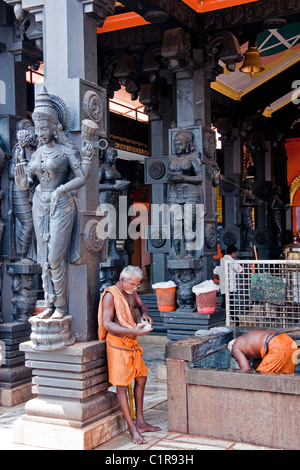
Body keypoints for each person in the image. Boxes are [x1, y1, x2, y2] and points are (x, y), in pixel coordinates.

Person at [14, 87, 93, 319]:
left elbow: (82, 177)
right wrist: (23, 183)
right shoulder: (37, 153)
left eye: (44, 128)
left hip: (61, 203)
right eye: (37, 129)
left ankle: (61, 306)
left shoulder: (64, 149)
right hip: (39, 202)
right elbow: (29, 179)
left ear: (54, 127)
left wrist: (62, 188)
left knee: (55, 256)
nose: (40, 133)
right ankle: (49, 304)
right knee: (43, 259)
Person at [98, 265, 161, 445]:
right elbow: (107, 324)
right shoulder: (111, 295)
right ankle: (131, 428)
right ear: (123, 280)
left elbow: (142, 306)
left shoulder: (131, 292)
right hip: (117, 345)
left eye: (138, 285)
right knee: (122, 387)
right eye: (133, 284)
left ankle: (140, 421)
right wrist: (133, 330)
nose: (135, 288)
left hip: (132, 342)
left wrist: (145, 316)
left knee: (141, 377)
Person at [229, 330, 299, 374]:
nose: (236, 360)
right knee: (284, 378)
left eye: (234, 357)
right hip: (290, 343)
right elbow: (257, 369)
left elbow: (246, 371)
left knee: (260, 382)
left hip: (276, 345)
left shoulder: (235, 347)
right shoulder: (251, 348)